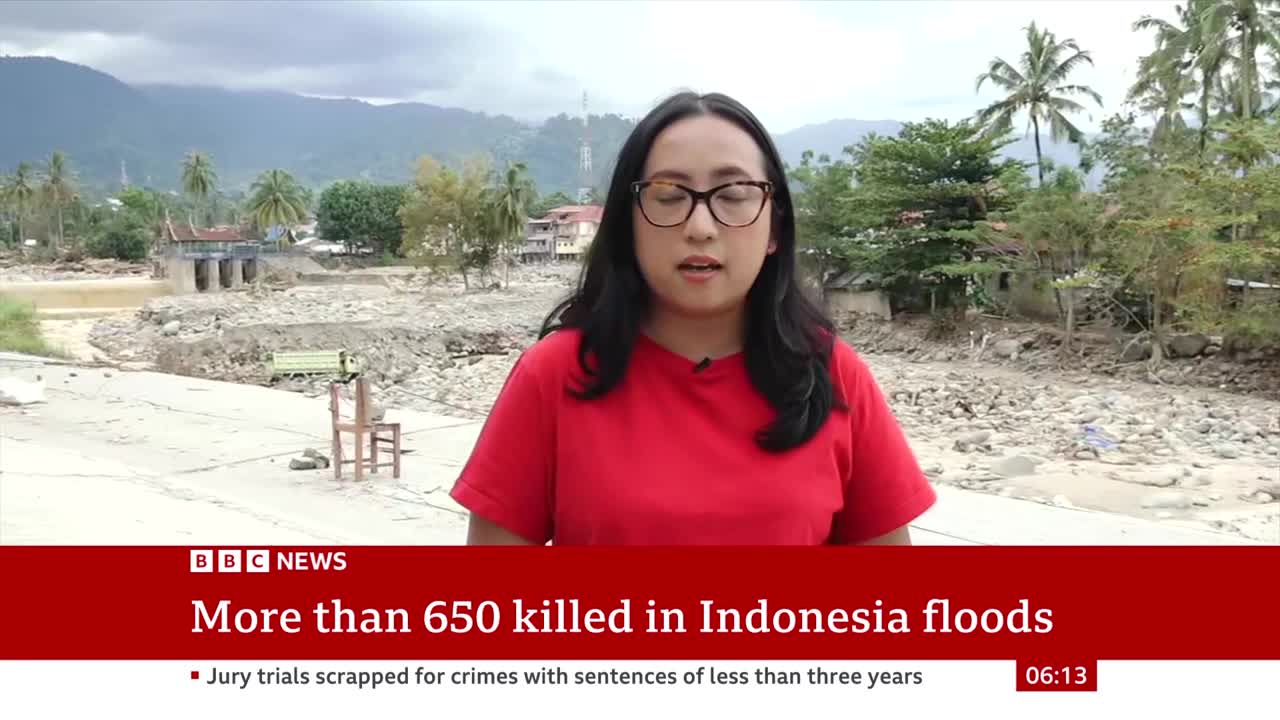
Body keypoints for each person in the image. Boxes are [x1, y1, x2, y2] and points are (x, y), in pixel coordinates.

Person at [449, 91, 936, 546]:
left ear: (774, 227)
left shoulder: (834, 376)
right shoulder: (553, 376)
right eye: (668, 195)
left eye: (733, 194)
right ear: (629, 223)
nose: (699, 227)